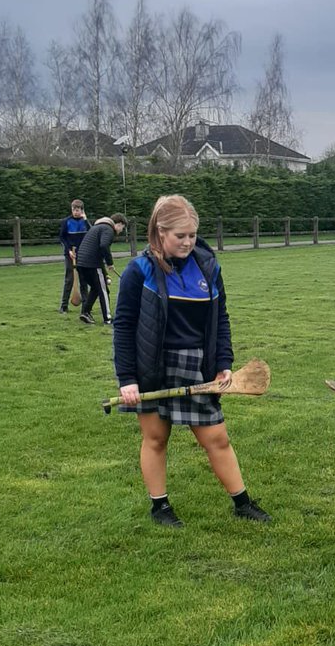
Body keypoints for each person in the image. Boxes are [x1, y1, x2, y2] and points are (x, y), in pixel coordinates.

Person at [112, 194, 271, 528]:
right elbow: (124, 327)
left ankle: (242, 503)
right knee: (156, 438)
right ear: (159, 232)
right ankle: (160, 508)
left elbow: (220, 317)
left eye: (192, 235)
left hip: (197, 367)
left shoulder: (208, 266)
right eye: (179, 236)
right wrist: (127, 379)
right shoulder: (138, 271)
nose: (187, 242)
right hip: (152, 367)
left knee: (217, 438)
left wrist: (224, 361)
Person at [76, 214, 127, 325]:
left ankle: (85, 312)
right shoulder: (108, 229)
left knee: (96, 288)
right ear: (119, 224)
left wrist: (104, 272)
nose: (121, 231)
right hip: (92, 264)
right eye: (122, 228)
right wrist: (110, 263)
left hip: (81, 263)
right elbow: (104, 246)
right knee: (104, 291)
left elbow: (97, 250)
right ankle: (108, 319)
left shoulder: (97, 227)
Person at [57, 198, 90, 313]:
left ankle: (86, 307)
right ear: (71, 209)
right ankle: (64, 306)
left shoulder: (84, 222)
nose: (76, 212)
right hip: (70, 254)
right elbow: (62, 237)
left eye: (78, 210)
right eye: (74, 210)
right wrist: (69, 250)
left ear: (82, 210)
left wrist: (85, 220)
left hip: (83, 254)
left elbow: (91, 233)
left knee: (83, 279)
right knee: (69, 279)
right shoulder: (67, 221)